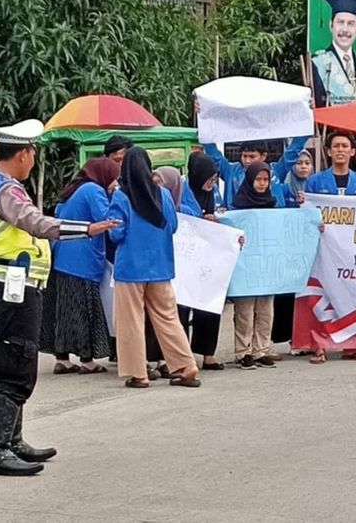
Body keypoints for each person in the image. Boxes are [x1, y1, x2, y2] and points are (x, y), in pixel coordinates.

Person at [0, 119, 119, 476]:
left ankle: (12, 441)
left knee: (18, 359)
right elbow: (36, 223)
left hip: (14, 284)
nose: (34, 159)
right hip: (13, 287)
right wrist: (86, 229)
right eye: (33, 152)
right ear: (23, 154)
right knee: (15, 364)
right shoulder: (6, 190)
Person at [107, 147, 200, 390]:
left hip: (130, 269)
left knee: (131, 321)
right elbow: (173, 227)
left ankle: (138, 373)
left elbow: (116, 232)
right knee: (168, 318)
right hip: (161, 266)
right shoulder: (164, 195)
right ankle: (185, 365)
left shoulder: (121, 196)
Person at [39, 157, 121, 375]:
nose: (115, 183)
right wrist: (117, 197)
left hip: (63, 256)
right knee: (84, 310)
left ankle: (62, 358)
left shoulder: (76, 189)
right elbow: (107, 219)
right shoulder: (94, 190)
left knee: (64, 310)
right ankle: (87, 360)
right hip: (82, 259)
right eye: (114, 178)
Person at [229, 162, 286, 370]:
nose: (262, 184)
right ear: (250, 180)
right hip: (247, 265)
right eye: (258, 179)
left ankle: (261, 349)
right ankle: (242, 352)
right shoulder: (239, 205)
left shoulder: (272, 204)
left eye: (265, 180)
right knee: (245, 310)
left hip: (267, 263)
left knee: (266, 309)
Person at [178, 153, 225, 371]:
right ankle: (183, 353)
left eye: (215, 178)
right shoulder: (182, 193)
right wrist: (198, 219)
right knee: (182, 307)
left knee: (209, 305)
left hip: (207, 259)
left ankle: (208, 353)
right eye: (209, 178)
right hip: (185, 259)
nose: (212, 182)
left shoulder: (213, 194)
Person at [276, 148, 315, 354]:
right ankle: (293, 339)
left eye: (307, 163)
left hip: (312, 250)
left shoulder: (315, 188)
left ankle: (309, 337)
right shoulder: (284, 189)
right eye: (299, 163)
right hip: (289, 250)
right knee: (291, 296)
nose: (303, 166)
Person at [202, 135, 308, 210]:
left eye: (252, 157)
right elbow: (214, 156)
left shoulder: (275, 171)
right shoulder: (231, 171)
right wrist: (203, 121)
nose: (247, 161)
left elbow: (293, 151)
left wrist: (306, 121)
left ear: (263, 156)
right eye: (244, 156)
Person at [306, 131, 356, 196]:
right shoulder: (314, 181)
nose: (340, 150)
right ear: (329, 152)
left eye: (345, 146)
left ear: (352, 152)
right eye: (336, 146)